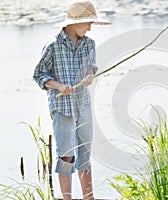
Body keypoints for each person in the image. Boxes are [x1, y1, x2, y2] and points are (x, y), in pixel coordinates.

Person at [33, 1, 111, 199]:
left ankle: (88, 197)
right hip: (62, 108)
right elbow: (39, 74)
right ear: (73, 23)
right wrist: (59, 86)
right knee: (66, 154)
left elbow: (92, 67)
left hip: (82, 105)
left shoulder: (89, 44)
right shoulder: (53, 46)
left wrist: (90, 75)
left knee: (84, 153)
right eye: (87, 23)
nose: (90, 27)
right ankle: (67, 198)